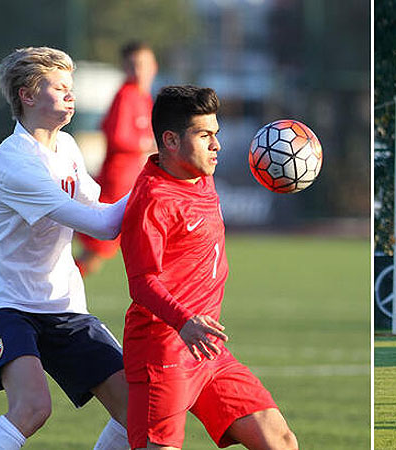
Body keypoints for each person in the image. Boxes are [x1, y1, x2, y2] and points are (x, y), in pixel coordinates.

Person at [0, 47, 129, 450]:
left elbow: (101, 209)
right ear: (27, 95)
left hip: (60, 301)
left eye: (71, 87)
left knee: (140, 410)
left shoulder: (67, 147)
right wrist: (158, 176)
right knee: (33, 407)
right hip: (3, 300)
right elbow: (105, 226)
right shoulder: (15, 162)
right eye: (59, 87)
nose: (70, 95)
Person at [120, 85, 297, 449]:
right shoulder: (153, 199)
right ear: (170, 140)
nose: (216, 145)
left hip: (207, 349)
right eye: (204, 136)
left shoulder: (202, 174)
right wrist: (184, 321)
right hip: (163, 350)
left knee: (279, 440)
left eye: (216, 134)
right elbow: (141, 282)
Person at [77, 41, 158, 275]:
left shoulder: (143, 97)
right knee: (93, 255)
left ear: (154, 66)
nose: (138, 70)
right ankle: (44, 293)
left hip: (133, 184)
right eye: (133, 65)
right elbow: (117, 136)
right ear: (124, 67)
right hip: (118, 186)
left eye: (143, 64)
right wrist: (149, 145)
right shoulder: (126, 95)